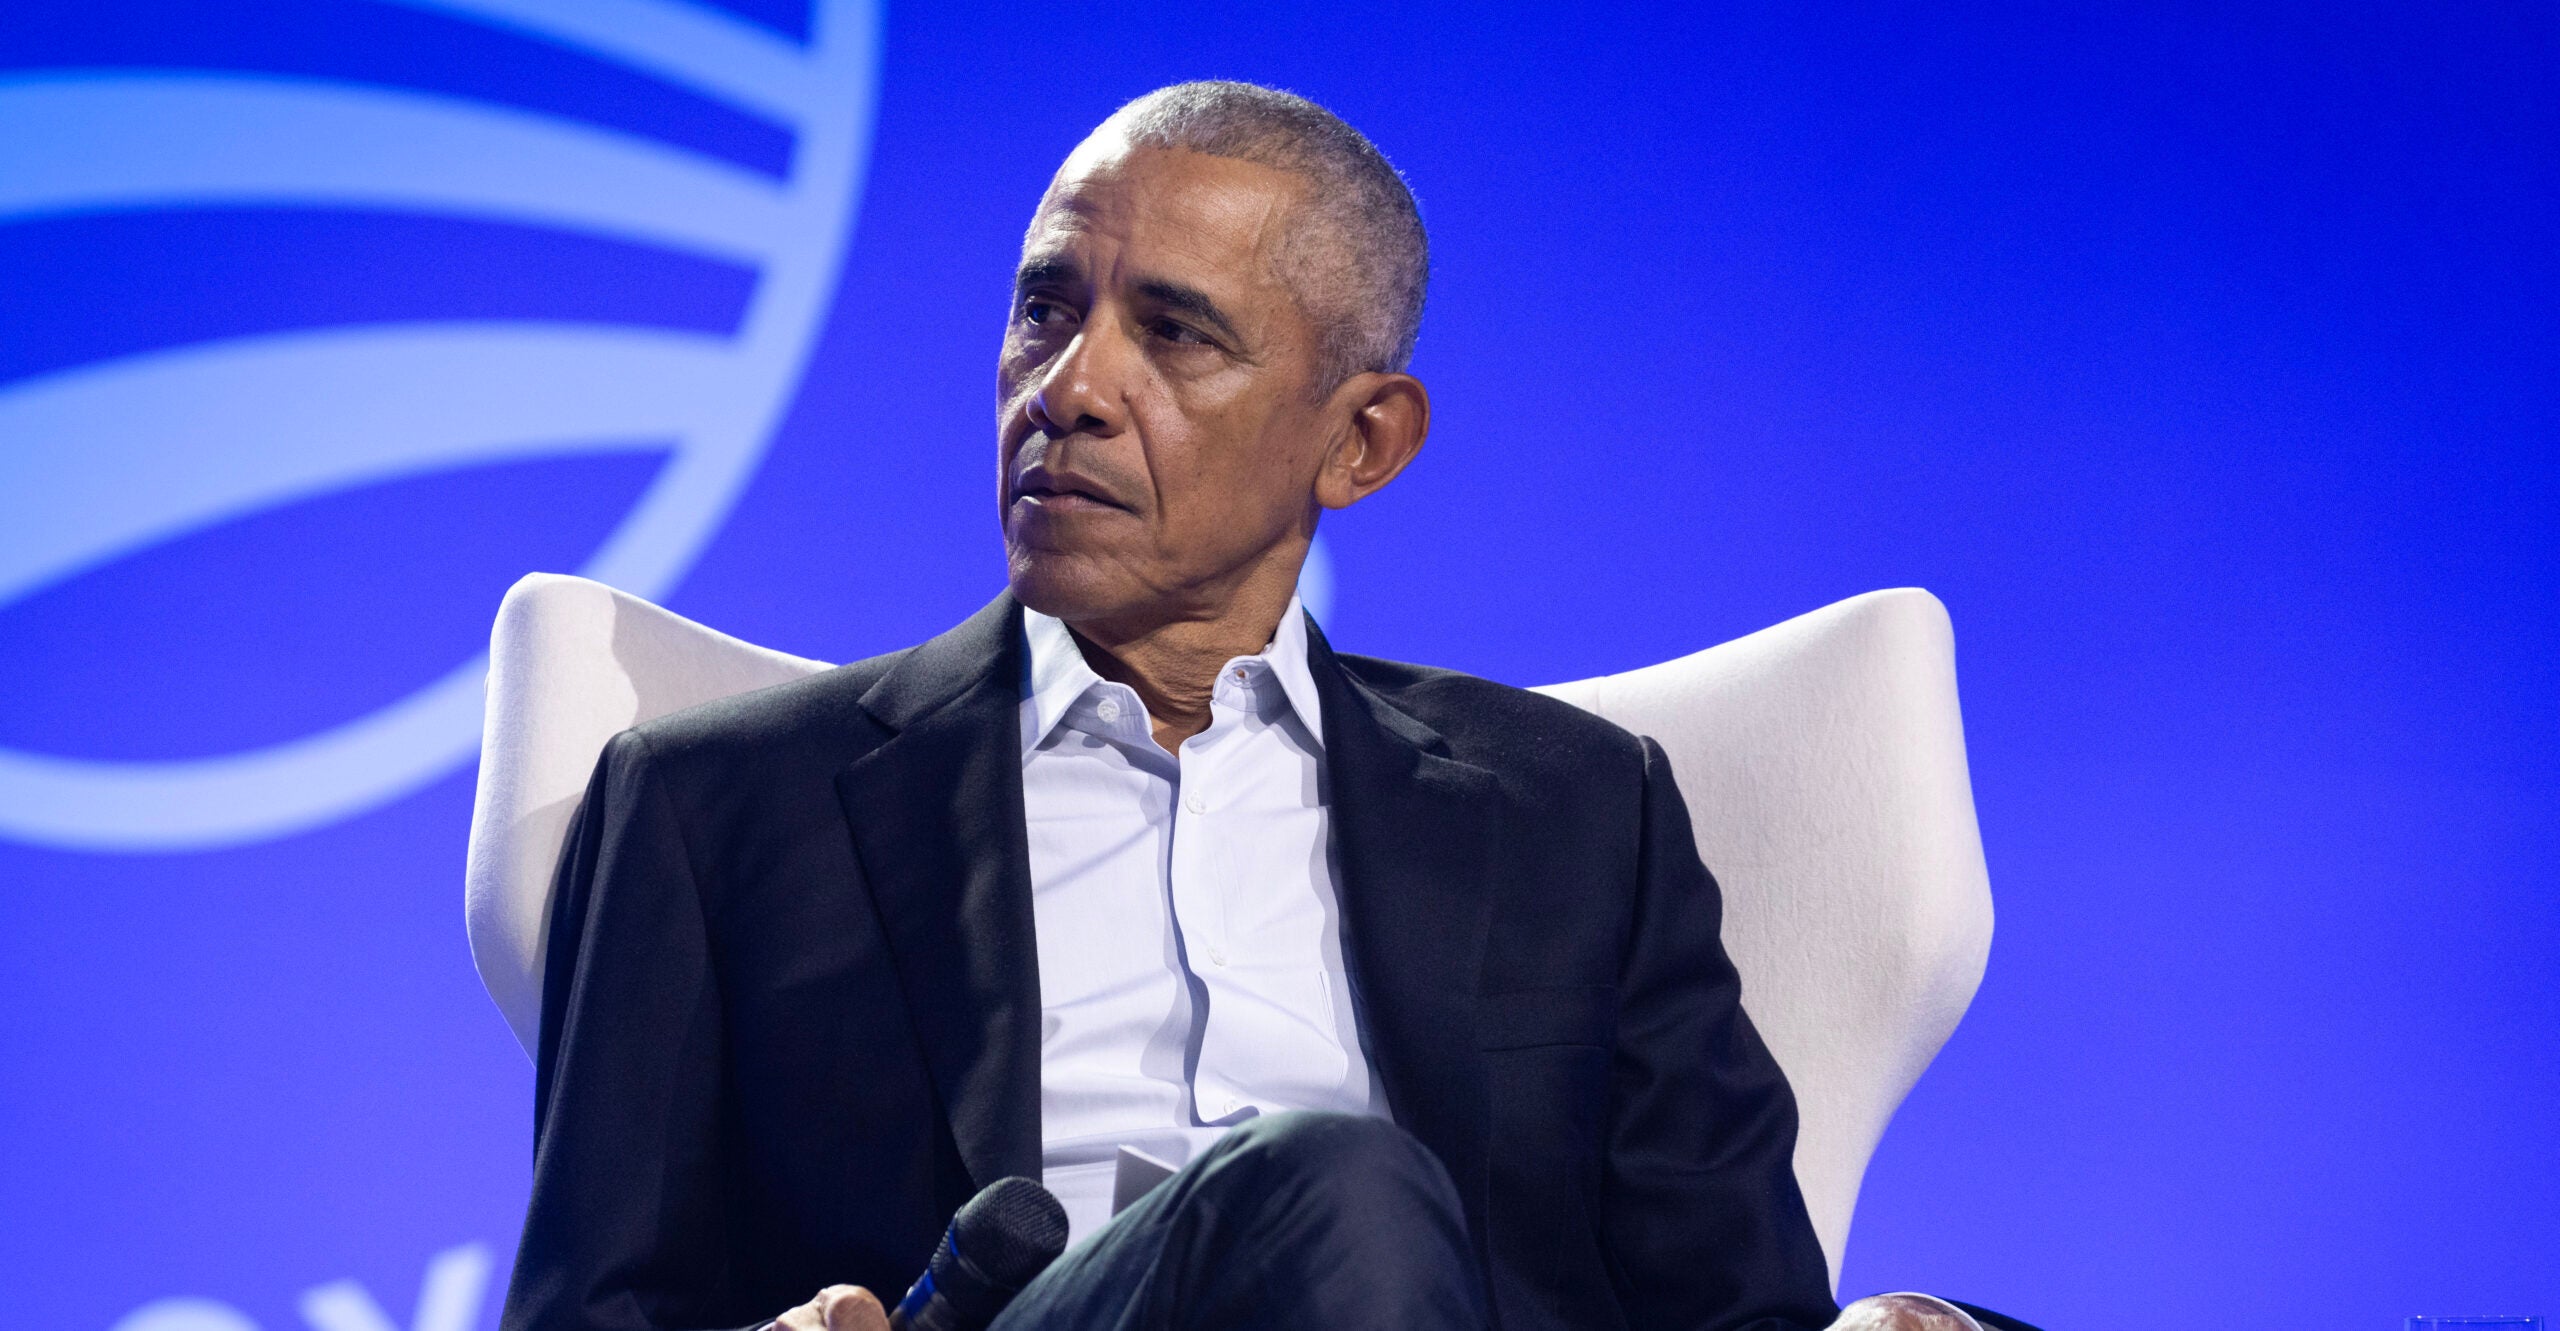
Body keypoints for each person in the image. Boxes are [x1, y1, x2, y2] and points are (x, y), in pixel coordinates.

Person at [502, 82, 1996, 1331]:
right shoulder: (723, 804)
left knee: (1349, 1199)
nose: (1070, 390)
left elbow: (1743, 1314)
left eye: (1175, 333)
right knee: (1336, 1185)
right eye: (1044, 312)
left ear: (1360, 441)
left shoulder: (1575, 812)